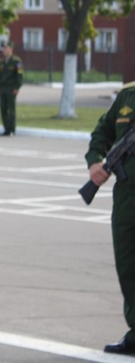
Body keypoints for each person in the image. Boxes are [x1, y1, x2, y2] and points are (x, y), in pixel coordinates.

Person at [86, 81, 135, 355]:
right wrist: (95, 160)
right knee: (128, 266)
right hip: (127, 198)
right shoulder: (128, 95)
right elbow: (103, 131)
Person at [0, 41, 22, 136]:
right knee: (3, 109)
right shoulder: (2, 62)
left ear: (11, 49)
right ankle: (6, 129)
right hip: (3, 88)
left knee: (11, 110)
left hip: (11, 88)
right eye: (3, 48)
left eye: (6, 47)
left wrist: (17, 87)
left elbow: (19, 75)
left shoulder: (16, 61)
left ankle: (12, 129)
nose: (4, 50)